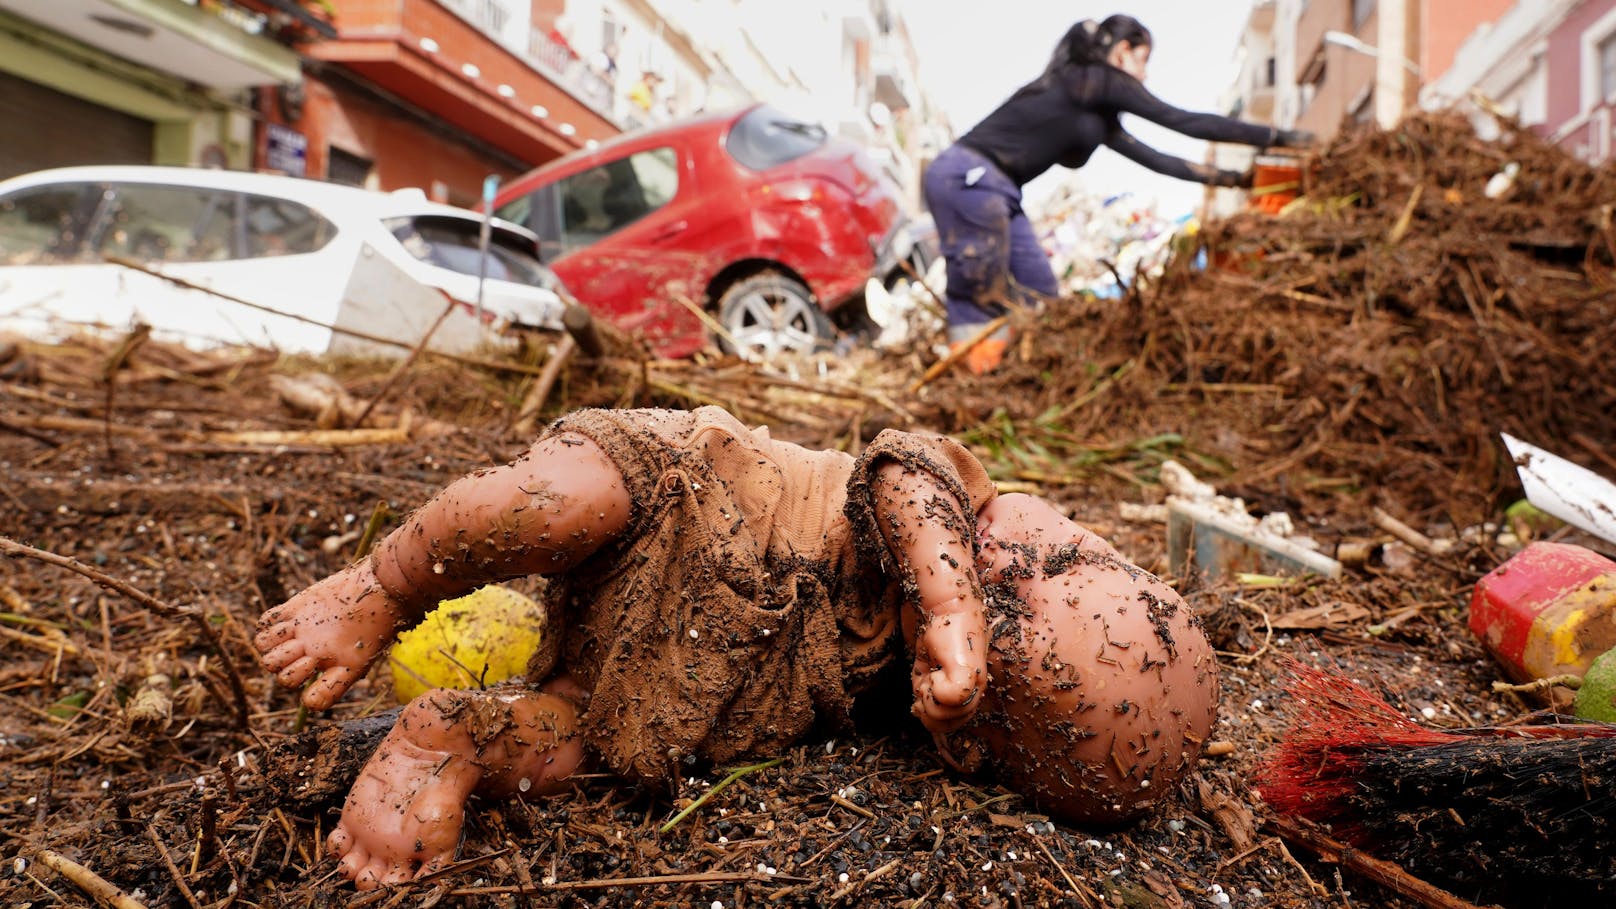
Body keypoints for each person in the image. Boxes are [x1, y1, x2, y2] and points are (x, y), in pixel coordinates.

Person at [254, 406, 1219, 890]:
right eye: (1068, 552)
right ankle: (381, 584)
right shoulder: (945, 513)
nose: (1026, 549)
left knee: (582, 745)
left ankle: (450, 737)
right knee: (553, 500)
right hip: (677, 490)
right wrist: (954, 592)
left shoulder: (915, 708)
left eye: (1019, 590)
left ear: (967, 740)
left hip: (669, 679)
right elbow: (902, 462)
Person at [922, 15, 1314, 374]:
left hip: (1001, 187)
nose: (1143, 75)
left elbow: (1158, 159)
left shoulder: (1097, 112)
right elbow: (1182, 121)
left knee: (1039, 291)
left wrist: (1234, 179)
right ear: (1122, 51)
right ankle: (971, 379)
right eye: (1143, 60)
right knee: (978, 281)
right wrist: (1276, 137)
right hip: (967, 173)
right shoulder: (1093, 78)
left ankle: (1017, 375)